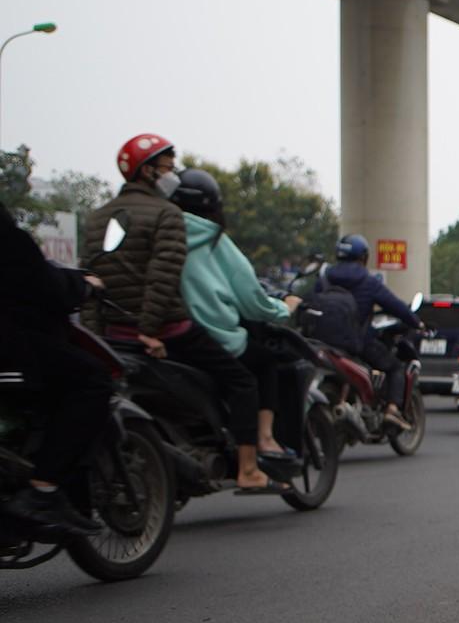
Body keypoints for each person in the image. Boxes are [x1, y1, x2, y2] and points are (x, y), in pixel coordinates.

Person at [82, 134, 277, 493]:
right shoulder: (167, 214)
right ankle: (249, 469)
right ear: (149, 170)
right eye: (168, 168)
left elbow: (91, 281)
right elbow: (163, 276)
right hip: (166, 329)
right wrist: (149, 330)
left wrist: (96, 339)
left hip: (113, 333)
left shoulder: (97, 219)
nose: (172, 175)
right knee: (243, 381)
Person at [170, 169, 302, 464]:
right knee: (263, 365)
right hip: (210, 335)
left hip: (166, 334)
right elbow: (252, 301)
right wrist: (285, 309)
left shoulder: (161, 234)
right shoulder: (216, 241)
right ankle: (260, 446)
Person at [0, 199, 108, 535]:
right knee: (94, 382)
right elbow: (38, 283)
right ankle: (42, 489)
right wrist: (84, 286)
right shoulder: (8, 238)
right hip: (13, 345)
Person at [319, 233, 422, 424]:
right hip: (355, 343)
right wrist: (417, 322)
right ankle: (392, 409)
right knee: (395, 367)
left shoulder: (325, 279)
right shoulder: (368, 282)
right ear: (364, 257)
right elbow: (395, 306)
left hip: (321, 341)